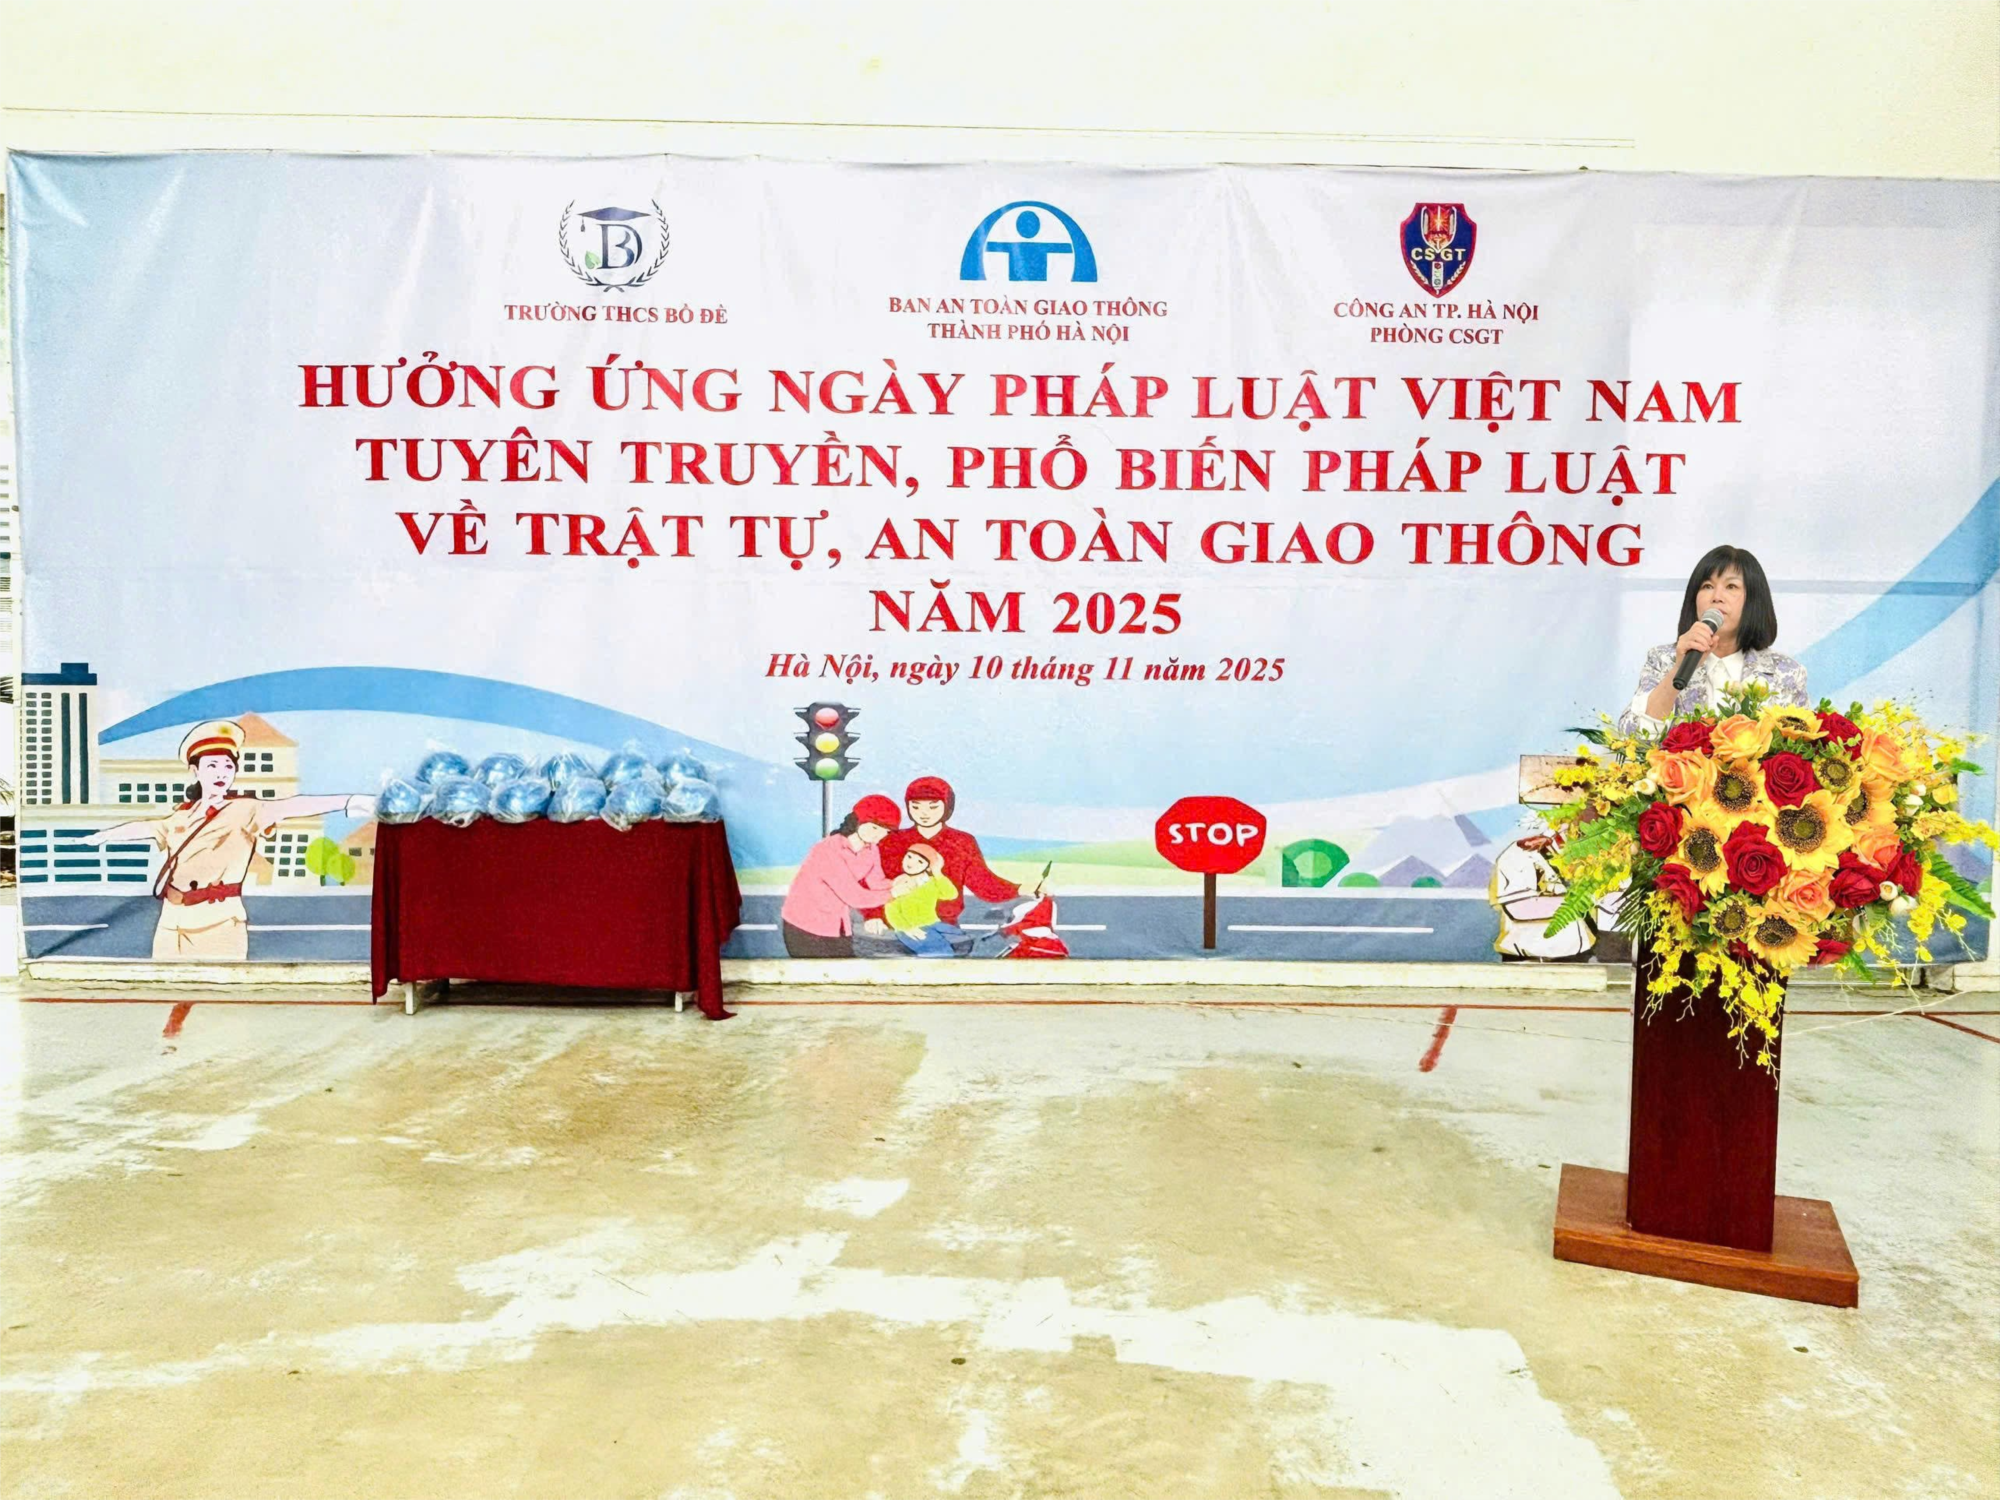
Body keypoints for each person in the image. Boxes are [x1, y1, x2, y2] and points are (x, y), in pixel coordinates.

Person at [81, 719, 374, 961]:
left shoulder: (245, 809)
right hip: (172, 920)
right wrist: (106, 835)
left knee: (219, 1000)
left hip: (218, 921)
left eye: (227, 766)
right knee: (165, 992)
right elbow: (149, 827)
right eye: (212, 766)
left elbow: (292, 806)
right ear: (195, 771)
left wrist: (350, 801)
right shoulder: (182, 815)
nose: (221, 773)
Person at [1616, 545, 1807, 736]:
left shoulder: (1786, 672)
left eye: (1731, 586)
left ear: (1754, 599)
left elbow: (1803, 744)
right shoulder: (1662, 659)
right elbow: (1633, 736)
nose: (1717, 597)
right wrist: (1678, 669)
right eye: (1707, 586)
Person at [862, 775, 1020, 937]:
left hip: (945, 925)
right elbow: (870, 881)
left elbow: (983, 883)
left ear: (947, 807)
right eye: (916, 806)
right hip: (896, 924)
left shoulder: (962, 841)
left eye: (933, 807)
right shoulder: (891, 840)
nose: (924, 813)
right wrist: (873, 915)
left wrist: (1020, 889)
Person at [779, 794, 901, 957]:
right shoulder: (828, 850)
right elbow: (855, 897)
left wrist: (900, 883)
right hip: (805, 926)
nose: (878, 835)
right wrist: (893, 894)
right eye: (874, 828)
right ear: (857, 821)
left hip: (837, 925)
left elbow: (876, 882)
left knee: (846, 968)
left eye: (885, 831)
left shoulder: (871, 850)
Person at [882, 843, 962, 957]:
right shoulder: (900, 883)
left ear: (928, 867)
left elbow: (951, 894)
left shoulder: (932, 882)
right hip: (909, 927)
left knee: (962, 940)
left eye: (920, 862)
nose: (911, 863)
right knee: (942, 952)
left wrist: (938, 873)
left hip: (933, 923)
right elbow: (891, 909)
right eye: (909, 857)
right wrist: (906, 928)